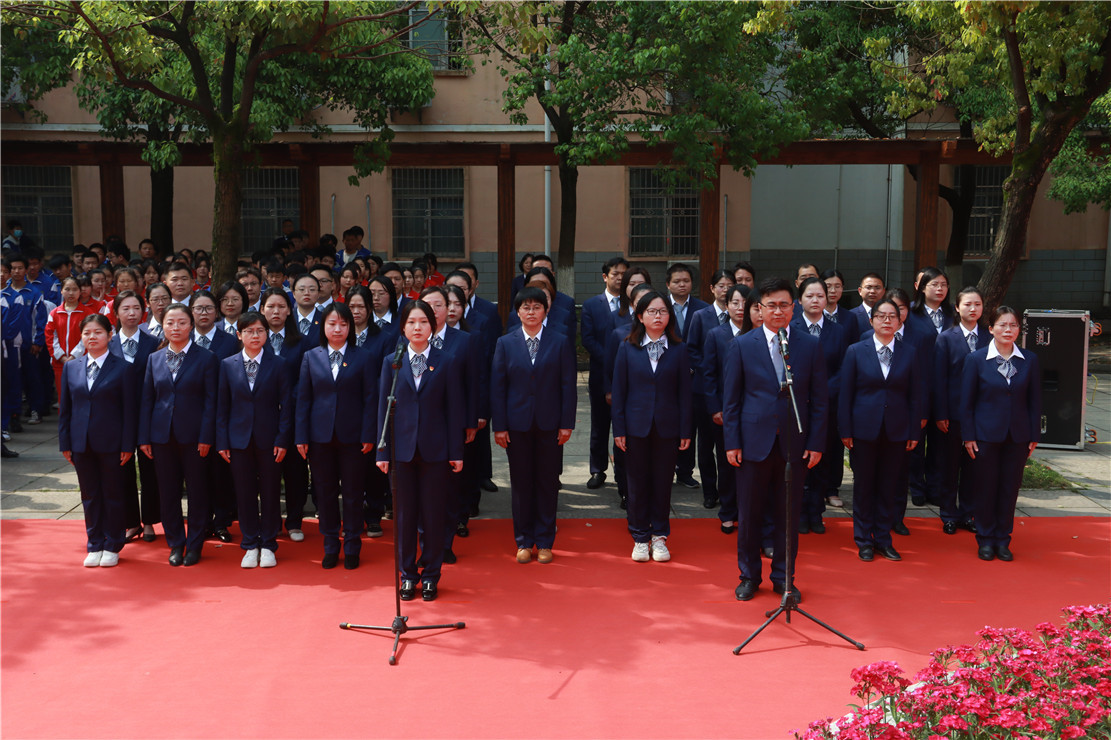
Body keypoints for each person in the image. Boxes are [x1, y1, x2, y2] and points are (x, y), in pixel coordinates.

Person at [723, 278, 828, 602]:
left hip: (793, 443)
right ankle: (748, 576)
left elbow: (820, 399)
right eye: (771, 305)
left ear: (793, 307)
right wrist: (732, 442)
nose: (778, 310)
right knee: (750, 513)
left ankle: (785, 578)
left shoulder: (809, 345)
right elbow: (732, 400)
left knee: (787, 515)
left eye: (784, 304)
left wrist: (816, 443)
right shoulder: (743, 345)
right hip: (753, 442)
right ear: (760, 309)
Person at [376, 300, 464, 601]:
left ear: (433, 326)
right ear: (403, 327)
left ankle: (430, 575)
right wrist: (382, 451)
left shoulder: (447, 360)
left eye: (423, 322)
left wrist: (456, 451)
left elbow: (454, 410)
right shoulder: (392, 361)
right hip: (400, 452)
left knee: (433, 516)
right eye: (411, 322)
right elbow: (383, 410)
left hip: (435, 451)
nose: (417, 327)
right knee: (403, 518)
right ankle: (407, 575)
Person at [492, 287, 576, 564]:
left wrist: (567, 423)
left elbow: (568, 385)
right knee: (521, 483)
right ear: (517, 312)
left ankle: (545, 541)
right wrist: (500, 426)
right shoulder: (505, 343)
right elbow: (498, 387)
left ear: (545, 310)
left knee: (547, 482)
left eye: (536, 307)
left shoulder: (560, 341)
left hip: (550, 423)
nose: (531, 312)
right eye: (525, 307)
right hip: (516, 424)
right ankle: (524, 541)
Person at [839, 298, 923, 563]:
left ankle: (884, 539)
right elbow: (846, 394)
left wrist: (913, 431)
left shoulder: (909, 352)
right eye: (881, 316)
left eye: (892, 317)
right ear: (871, 320)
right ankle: (864, 540)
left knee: (889, 487)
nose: (887, 321)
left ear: (900, 321)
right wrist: (846, 429)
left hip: (897, 430)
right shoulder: (855, 350)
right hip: (863, 429)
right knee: (864, 486)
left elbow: (915, 396)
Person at [295, 302, 377, 570]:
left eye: (343, 324)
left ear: (350, 327)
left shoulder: (363, 357)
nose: (338, 328)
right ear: (323, 326)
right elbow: (303, 400)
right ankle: (330, 544)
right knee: (325, 493)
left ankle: (353, 544)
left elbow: (370, 399)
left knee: (353, 493)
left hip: (353, 437)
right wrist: (301, 436)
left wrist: (368, 434)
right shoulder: (311, 356)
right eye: (332, 323)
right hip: (319, 438)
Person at [612, 290, 691, 563]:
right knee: (636, 483)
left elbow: (685, 394)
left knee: (662, 483)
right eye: (652, 311)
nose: (658, 316)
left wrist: (685, 430)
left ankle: (659, 535)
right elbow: (619, 392)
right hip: (635, 427)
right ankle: (639, 536)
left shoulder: (679, 349)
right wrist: (619, 430)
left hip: (668, 427)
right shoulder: (627, 347)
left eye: (663, 311)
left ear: (670, 316)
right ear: (640, 316)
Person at [138, 303, 219, 566]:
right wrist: (144, 437)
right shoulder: (154, 358)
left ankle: (195, 545)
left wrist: (207, 436)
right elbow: (147, 400)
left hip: (195, 437)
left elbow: (211, 402)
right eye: (170, 323)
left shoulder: (206, 358)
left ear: (191, 325)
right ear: (163, 326)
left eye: (182, 323)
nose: (176, 328)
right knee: (168, 492)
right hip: (162, 437)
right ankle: (175, 543)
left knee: (198, 492)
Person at [961, 306, 1041, 562]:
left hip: (1017, 436)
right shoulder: (976, 359)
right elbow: (967, 403)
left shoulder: (1029, 359)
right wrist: (968, 435)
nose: (1008, 330)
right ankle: (985, 539)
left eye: (1014, 325)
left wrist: (1034, 434)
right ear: (991, 329)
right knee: (985, 488)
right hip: (985, 435)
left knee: (1009, 488)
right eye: (1003, 325)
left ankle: (1002, 539)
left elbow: (1034, 401)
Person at [58, 313, 137, 567]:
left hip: (112, 443)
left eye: (98, 332)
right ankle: (94, 543)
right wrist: (65, 443)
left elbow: (129, 411)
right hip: (81, 443)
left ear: (109, 335)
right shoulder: (71, 367)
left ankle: (113, 543)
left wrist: (128, 445)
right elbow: (66, 409)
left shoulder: (123, 368)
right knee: (89, 495)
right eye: (87, 333)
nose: (92, 337)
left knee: (113, 493)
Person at [217, 312, 293, 569]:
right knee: (245, 492)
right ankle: (250, 543)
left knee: (271, 492)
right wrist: (222, 441)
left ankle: (269, 543)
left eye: (260, 330)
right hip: (238, 440)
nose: (255, 335)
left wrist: (283, 440)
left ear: (267, 334)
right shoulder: (227, 365)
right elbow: (222, 407)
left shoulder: (279, 364)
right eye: (248, 331)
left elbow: (287, 406)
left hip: (270, 439)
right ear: (239, 335)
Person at [791, 277, 850, 534]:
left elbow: (843, 368)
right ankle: (800, 512)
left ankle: (817, 512)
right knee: (799, 459)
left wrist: (824, 392)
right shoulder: (791, 328)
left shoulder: (838, 331)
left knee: (823, 459)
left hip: (829, 405)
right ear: (800, 300)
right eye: (809, 296)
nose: (815, 301)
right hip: (798, 405)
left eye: (820, 296)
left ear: (827, 299)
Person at [108, 290, 160, 543]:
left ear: (144, 311)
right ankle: (131, 522)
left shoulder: (154, 343)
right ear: (116, 313)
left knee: (150, 469)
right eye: (125, 308)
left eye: (136, 308)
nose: (131, 313)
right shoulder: (108, 344)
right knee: (122, 469)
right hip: (116, 418)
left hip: (147, 415)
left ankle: (149, 521)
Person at [259, 288, 312, 542]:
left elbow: (306, 380)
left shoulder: (302, 342)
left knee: (295, 471)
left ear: (289, 310)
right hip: (263, 417)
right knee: (267, 471)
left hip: (293, 414)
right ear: (262, 310)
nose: (276, 311)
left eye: (281, 306)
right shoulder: (255, 340)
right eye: (270, 307)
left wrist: (289, 404)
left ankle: (294, 521)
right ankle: (268, 520)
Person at [933, 286, 984, 536]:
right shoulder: (946, 337)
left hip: (981, 414)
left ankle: (967, 513)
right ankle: (948, 514)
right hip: (952, 413)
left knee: (974, 467)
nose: (972, 309)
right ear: (957, 308)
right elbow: (939, 379)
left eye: (977, 304)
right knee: (949, 465)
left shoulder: (989, 336)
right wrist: (940, 413)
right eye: (967, 304)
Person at [701, 283, 750, 535]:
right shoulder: (716, 334)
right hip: (725, 412)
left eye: (745, 303)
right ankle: (728, 512)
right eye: (735, 303)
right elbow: (708, 375)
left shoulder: (760, 334)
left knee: (751, 466)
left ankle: (748, 512)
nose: (740, 308)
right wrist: (715, 409)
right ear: (726, 305)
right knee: (727, 463)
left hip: (753, 412)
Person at [685, 269, 735, 509]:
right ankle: (709, 490)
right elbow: (691, 348)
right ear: (712, 288)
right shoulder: (700, 315)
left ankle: (727, 490)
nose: (725, 290)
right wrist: (708, 369)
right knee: (706, 444)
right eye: (721, 285)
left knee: (727, 443)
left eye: (729, 286)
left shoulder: (741, 316)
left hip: (732, 390)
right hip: (704, 388)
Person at [579, 256, 629, 490]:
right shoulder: (591, 305)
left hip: (629, 376)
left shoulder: (633, 305)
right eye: (615, 274)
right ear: (605, 277)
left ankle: (623, 474)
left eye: (623, 274)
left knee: (624, 428)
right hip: (601, 375)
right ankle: (598, 470)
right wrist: (612, 359)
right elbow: (588, 339)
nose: (619, 278)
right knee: (600, 427)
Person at [906, 267, 953, 508]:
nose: (939, 289)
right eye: (934, 284)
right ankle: (916, 486)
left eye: (944, 284)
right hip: (919, 386)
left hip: (946, 388)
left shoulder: (952, 316)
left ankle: (935, 487)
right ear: (921, 287)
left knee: (940, 442)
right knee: (916, 440)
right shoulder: (911, 316)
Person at [45, 277, 89, 395]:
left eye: (75, 289)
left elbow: (87, 336)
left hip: (81, 362)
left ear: (80, 291)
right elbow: (50, 336)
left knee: (80, 395)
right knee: (63, 395)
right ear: (61, 291)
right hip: (60, 363)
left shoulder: (87, 313)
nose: (71, 293)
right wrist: (61, 356)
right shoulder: (54, 313)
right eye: (67, 289)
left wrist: (74, 356)